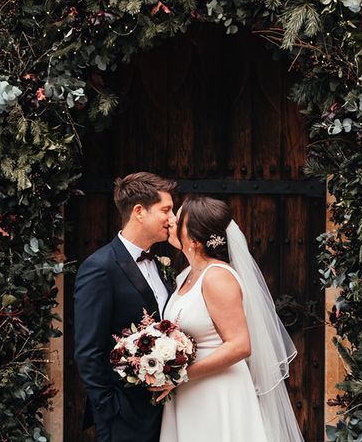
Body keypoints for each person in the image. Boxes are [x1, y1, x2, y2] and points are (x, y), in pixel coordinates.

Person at [158, 195, 304, 442]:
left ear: (194, 240)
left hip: (218, 391)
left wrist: (181, 375)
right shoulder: (185, 276)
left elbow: (239, 345)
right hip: (191, 392)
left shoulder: (217, 277)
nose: (171, 221)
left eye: (178, 218)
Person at [74, 172, 177, 442]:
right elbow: (88, 351)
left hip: (166, 412)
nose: (173, 218)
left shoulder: (160, 264)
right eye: (166, 210)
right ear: (139, 212)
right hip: (124, 415)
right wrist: (109, 410)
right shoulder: (100, 267)